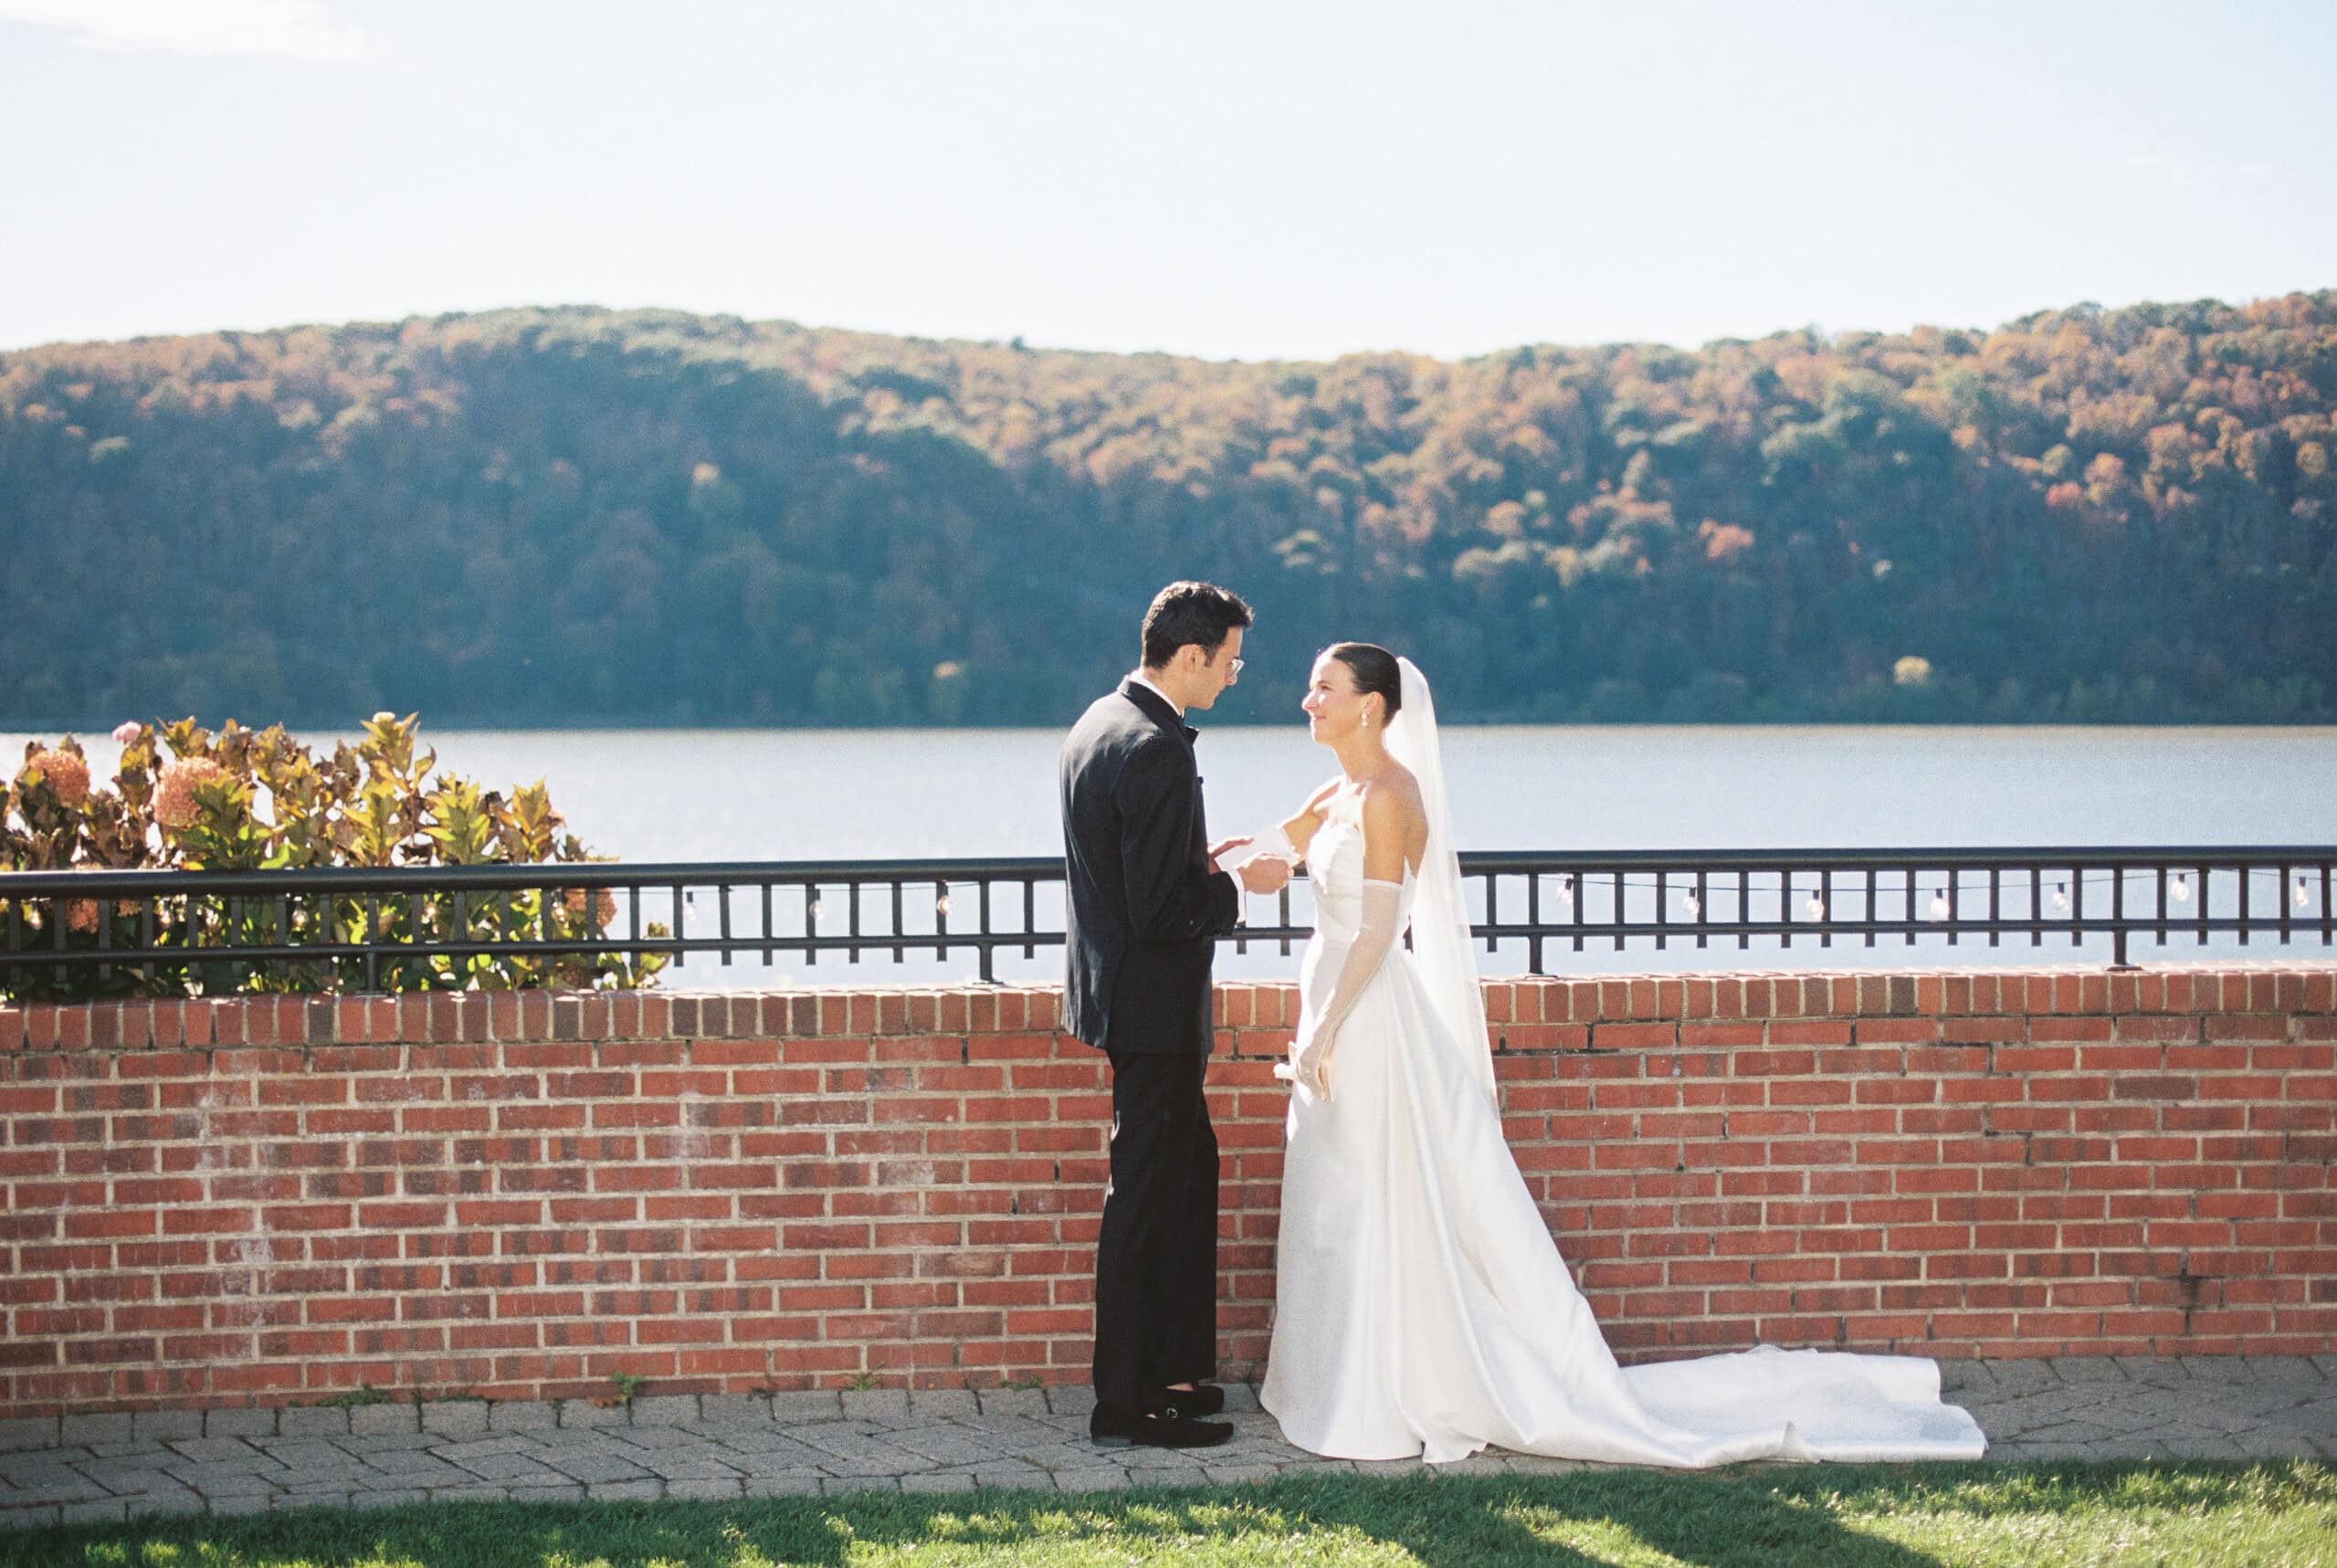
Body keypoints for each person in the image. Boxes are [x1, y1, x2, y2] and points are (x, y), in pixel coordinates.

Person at [1256, 643, 1987, 1466]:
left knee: (1371, 1192)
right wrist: (1237, 862)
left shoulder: (1392, 794)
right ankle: (1324, 1383)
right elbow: (1278, 845)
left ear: (1370, 705)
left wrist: (1323, 1031)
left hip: (1365, 1014)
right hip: (1329, 1003)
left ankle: (1378, 1393)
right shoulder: (1336, 792)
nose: (1307, 700)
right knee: (1332, 1195)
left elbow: (1377, 930)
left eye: (1323, 688)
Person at [1059, 582, 1292, 1449]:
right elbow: (1161, 913)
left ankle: (1173, 1373)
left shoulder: (1099, 721)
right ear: (1191, 655)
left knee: (1186, 1177)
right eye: (1230, 660)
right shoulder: (1156, 748)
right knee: (1145, 1199)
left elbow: (1135, 871)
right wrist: (1242, 887)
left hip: (1124, 999)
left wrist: (1201, 860)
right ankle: (1125, 1404)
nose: (1233, 675)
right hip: (1153, 1009)